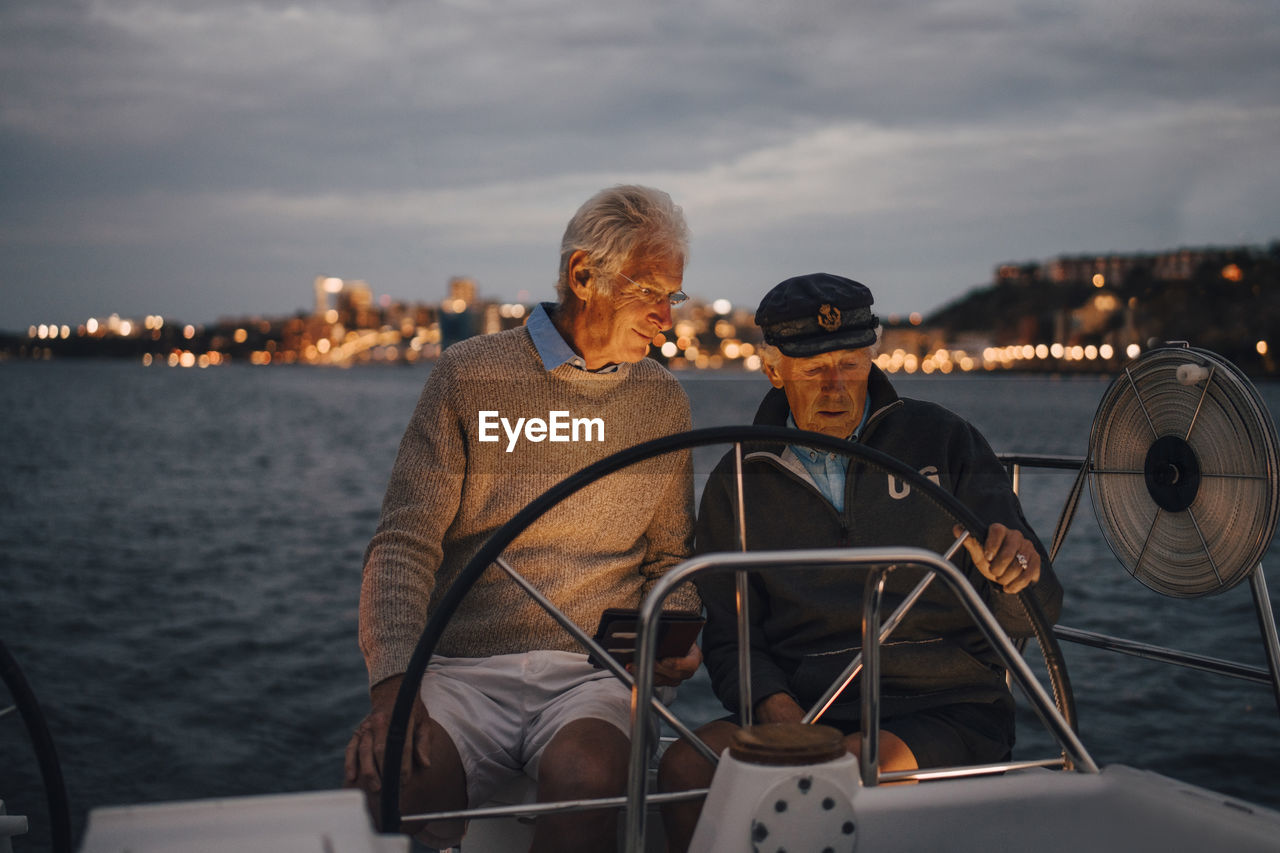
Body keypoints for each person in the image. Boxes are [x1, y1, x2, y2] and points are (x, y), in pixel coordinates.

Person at [344, 185, 703, 852]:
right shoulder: (467, 376)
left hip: (594, 677)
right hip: (458, 669)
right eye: (652, 291)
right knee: (390, 775)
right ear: (583, 276)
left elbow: (669, 558)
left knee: (589, 771)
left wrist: (673, 629)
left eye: (672, 297)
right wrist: (393, 687)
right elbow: (403, 545)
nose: (666, 319)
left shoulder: (662, 399)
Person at [658, 272, 1064, 851]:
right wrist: (779, 712)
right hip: (803, 705)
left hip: (947, 708)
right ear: (774, 371)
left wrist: (1015, 576)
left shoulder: (946, 442)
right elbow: (730, 637)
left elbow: (1037, 615)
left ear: (873, 357)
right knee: (684, 771)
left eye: (850, 364)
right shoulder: (739, 481)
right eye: (814, 369)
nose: (836, 387)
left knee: (846, 768)